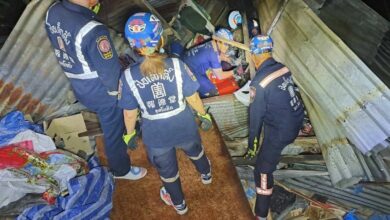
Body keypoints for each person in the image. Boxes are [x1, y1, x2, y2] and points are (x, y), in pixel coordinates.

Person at [120, 12, 213, 215]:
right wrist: (203, 115)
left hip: (156, 134)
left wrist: (129, 134)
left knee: (167, 171)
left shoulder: (127, 76)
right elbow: (193, 98)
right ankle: (206, 174)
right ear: (160, 38)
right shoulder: (177, 65)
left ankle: (179, 204)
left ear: (133, 45)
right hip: (183, 125)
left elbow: (129, 113)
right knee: (195, 150)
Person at [45, 0, 146, 180]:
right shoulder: (93, 30)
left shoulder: (53, 10)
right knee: (113, 129)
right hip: (100, 91)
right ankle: (121, 170)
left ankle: (131, 127)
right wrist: (121, 96)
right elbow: (110, 74)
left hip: (79, 85)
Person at [245, 35, 304, 220]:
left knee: (262, 169)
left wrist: (252, 145)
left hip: (282, 131)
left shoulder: (259, 84)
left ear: (254, 55)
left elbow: (255, 121)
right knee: (269, 143)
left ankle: (261, 214)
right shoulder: (283, 68)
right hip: (296, 119)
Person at [181, 28, 243, 98]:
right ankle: (199, 96)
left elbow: (220, 55)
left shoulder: (212, 43)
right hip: (188, 70)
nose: (227, 47)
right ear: (218, 41)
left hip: (187, 60)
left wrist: (231, 60)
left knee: (208, 73)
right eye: (226, 44)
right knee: (213, 92)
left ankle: (198, 90)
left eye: (228, 45)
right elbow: (220, 76)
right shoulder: (212, 54)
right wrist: (235, 71)